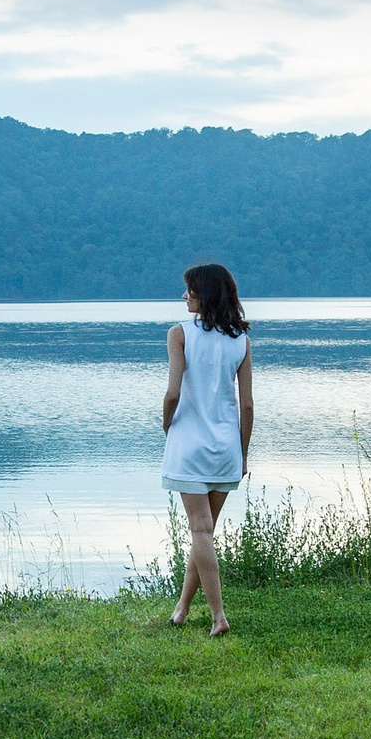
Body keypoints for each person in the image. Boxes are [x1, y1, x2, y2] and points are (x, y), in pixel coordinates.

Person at [161, 262, 253, 635]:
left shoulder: (179, 334)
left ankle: (218, 617)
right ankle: (182, 609)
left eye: (190, 290)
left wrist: (167, 425)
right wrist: (243, 454)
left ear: (206, 294)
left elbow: (172, 393)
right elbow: (246, 406)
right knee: (206, 533)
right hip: (226, 448)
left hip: (190, 446)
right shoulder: (241, 341)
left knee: (200, 531)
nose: (184, 296)